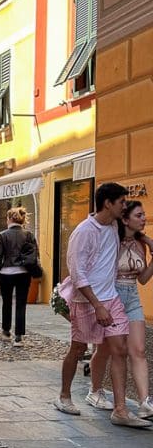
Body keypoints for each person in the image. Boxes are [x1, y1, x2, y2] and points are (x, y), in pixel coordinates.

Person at [54, 182, 148, 426]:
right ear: (108, 204)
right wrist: (97, 305)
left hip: (112, 298)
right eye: (121, 203)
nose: (124, 207)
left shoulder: (115, 225)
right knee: (78, 348)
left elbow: (133, 231)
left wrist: (147, 239)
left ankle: (120, 411)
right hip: (86, 301)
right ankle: (64, 396)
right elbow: (77, 274)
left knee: (120, 350)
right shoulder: (84, 231)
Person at [86, 199, 153, 417]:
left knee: (139, 350)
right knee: (106, 349)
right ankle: (95, 390)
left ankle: (145, 402)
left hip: (132, 297)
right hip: (111, 295)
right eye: (139, 215)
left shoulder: (140, 245)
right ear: (124, 219)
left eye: (143, 215)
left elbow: (142, 279)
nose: (144, 219)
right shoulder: (111, 239)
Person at [0, 207, 38, 346]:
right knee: (21, 304)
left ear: (9, 219)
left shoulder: (3, 235)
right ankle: (19, 336)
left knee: (6, 303)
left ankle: (6, 331)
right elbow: (35, 253)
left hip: (6, 272)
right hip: (23, 272)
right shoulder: (28, 234)